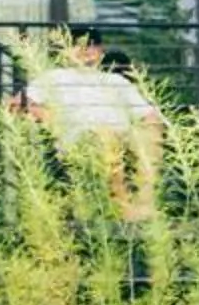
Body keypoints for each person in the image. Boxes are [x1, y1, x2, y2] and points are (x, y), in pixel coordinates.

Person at [18, 36, 162, 217]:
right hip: (82, 140)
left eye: (92, 45)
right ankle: (124, 207)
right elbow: (17, 103)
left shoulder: (116, 81)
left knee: (150, 130)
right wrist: (48, 117)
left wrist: (146, 129)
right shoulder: (55, 77)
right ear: (65, 50)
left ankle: (145, 201)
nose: (85, 49)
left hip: (121, 139)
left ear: (101, 52)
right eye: (78, 44)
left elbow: (148, 115)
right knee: (105, 137)